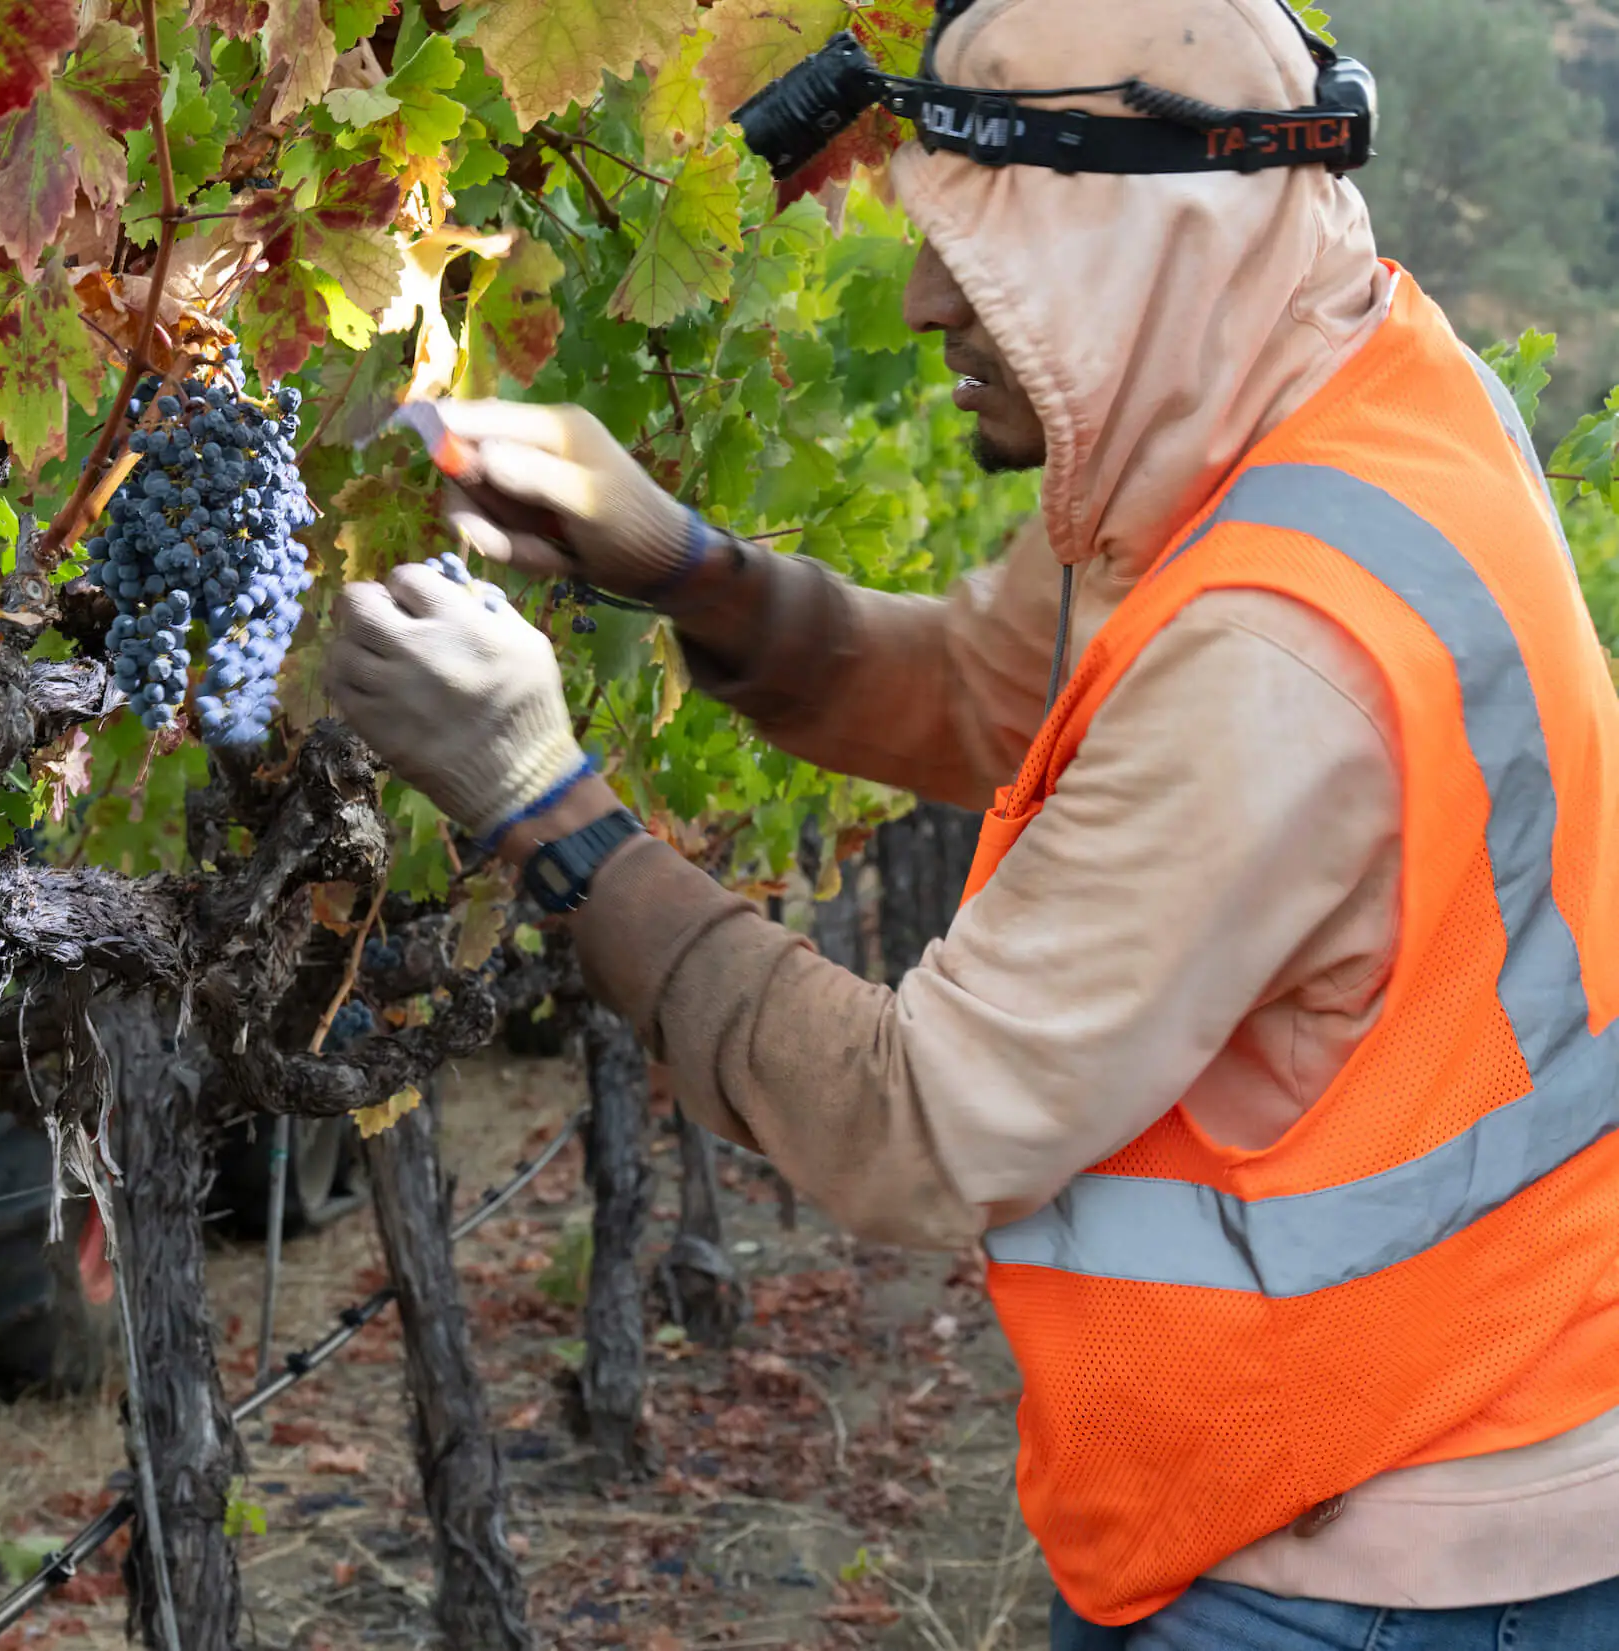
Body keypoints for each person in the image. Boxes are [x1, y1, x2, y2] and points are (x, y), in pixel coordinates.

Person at [323, 1, 1619, 1646]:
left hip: (1373, 1535)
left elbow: (911, 1123)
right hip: (1416, 1414)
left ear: (1147, 244)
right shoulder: (1305, 405)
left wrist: (541, 807)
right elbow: (986, 691)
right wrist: (679, 567)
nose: (931, 296)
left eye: (986, 248)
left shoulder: (1280, 647)